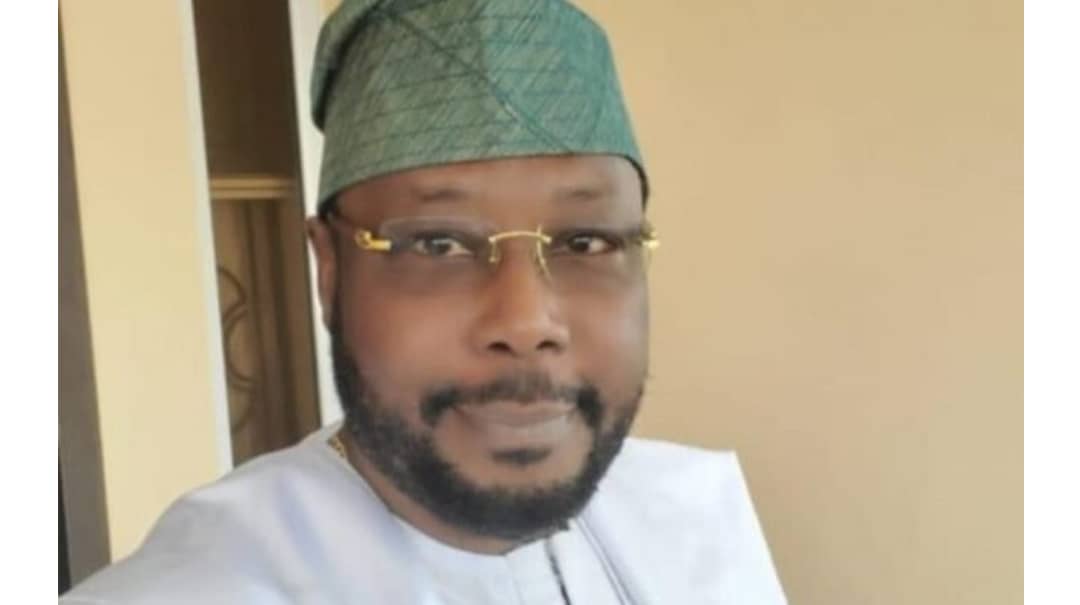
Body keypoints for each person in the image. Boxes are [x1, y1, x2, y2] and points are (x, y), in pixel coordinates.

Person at [62, 1, 786, 603]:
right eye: (439, 244)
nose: (527, 322)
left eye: (586, 241)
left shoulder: (693, 524)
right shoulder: (202, 586)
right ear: (330, 269)